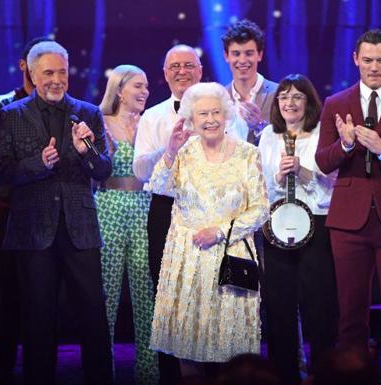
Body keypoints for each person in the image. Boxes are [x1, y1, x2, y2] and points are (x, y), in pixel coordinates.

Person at [0, 41, 113, 385]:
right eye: (48, 73)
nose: (57, 80)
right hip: (33, 231)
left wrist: (86, 151)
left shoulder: (88, 113)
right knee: (38, 321)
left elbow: (103, 170)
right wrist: (38, 164)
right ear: (32, 74)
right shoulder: (11, 114)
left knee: (93, 317)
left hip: (81, 230)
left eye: (62, 71)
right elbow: (2, 171)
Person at [133, 44, 245, 384]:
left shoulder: (227, 111)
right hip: (169, 209)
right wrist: (169, 149)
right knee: (170, 294)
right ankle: (173, 375)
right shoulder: (153, 116)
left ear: (200, 70)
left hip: (215, 208)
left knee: (216, 291)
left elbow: (241, 159)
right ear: (165, 74)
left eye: (188, 65)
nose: (181, 71)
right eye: (174, 66)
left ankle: (221, 373)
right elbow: (140, 171)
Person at [149, 82, 269, 375]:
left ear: (227, 115)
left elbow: (261, 209)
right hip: (187, 259)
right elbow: (157, 186)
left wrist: (220, 231)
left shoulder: (248, 154)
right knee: (188, 349)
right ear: (192, 118)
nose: (211, 119)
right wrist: (170, 151)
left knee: (233, 351)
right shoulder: (183, 151)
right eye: (203, 114)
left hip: (233, 255)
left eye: (216, 112)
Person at [314, 29, 381, 361]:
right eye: (367, 60)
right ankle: (352, 372)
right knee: (351, 310)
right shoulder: (336, 103)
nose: (374, 67)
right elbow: (323, 162)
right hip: (348, 222)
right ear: (355, 59)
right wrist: (345, 145)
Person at [0, 36, 52, 385]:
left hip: (53, 212)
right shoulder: (2, 104)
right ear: (26, 66)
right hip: (13, 211)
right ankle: (4, 372)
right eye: (41, 65)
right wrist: (34, 163)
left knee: (46, 300)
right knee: (10, 299)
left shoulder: (62, 105)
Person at [258, 74, 337, 384]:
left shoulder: (322, 134)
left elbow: (333, 185)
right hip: (277, 224)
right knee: (279, 304)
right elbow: (260, 186)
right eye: (284, 97)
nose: (290, 103)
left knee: (319, 302)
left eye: (297, 97)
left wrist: (303, 172)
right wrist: (278, 178)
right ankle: (284, 373)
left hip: (316, 222)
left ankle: (324, 371)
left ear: (309, 102)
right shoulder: (268, 136)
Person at [96, 64, 158, 384]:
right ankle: (101, 369)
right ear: (120, 90)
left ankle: (149, 373)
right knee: (106, 292)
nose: (145, 91)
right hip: (108, 207)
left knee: (146, 292)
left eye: (146, 86)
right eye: (138, 86)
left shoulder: (150, 124)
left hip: (144, 207)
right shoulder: (99, 121)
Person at [222, 19, 278, 144]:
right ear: (226, 56)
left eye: (249, 53)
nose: (242, 60)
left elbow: (291, 139)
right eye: (236, 54)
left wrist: (260, 125)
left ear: (259, 55)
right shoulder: (219, 97)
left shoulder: (279, 94)